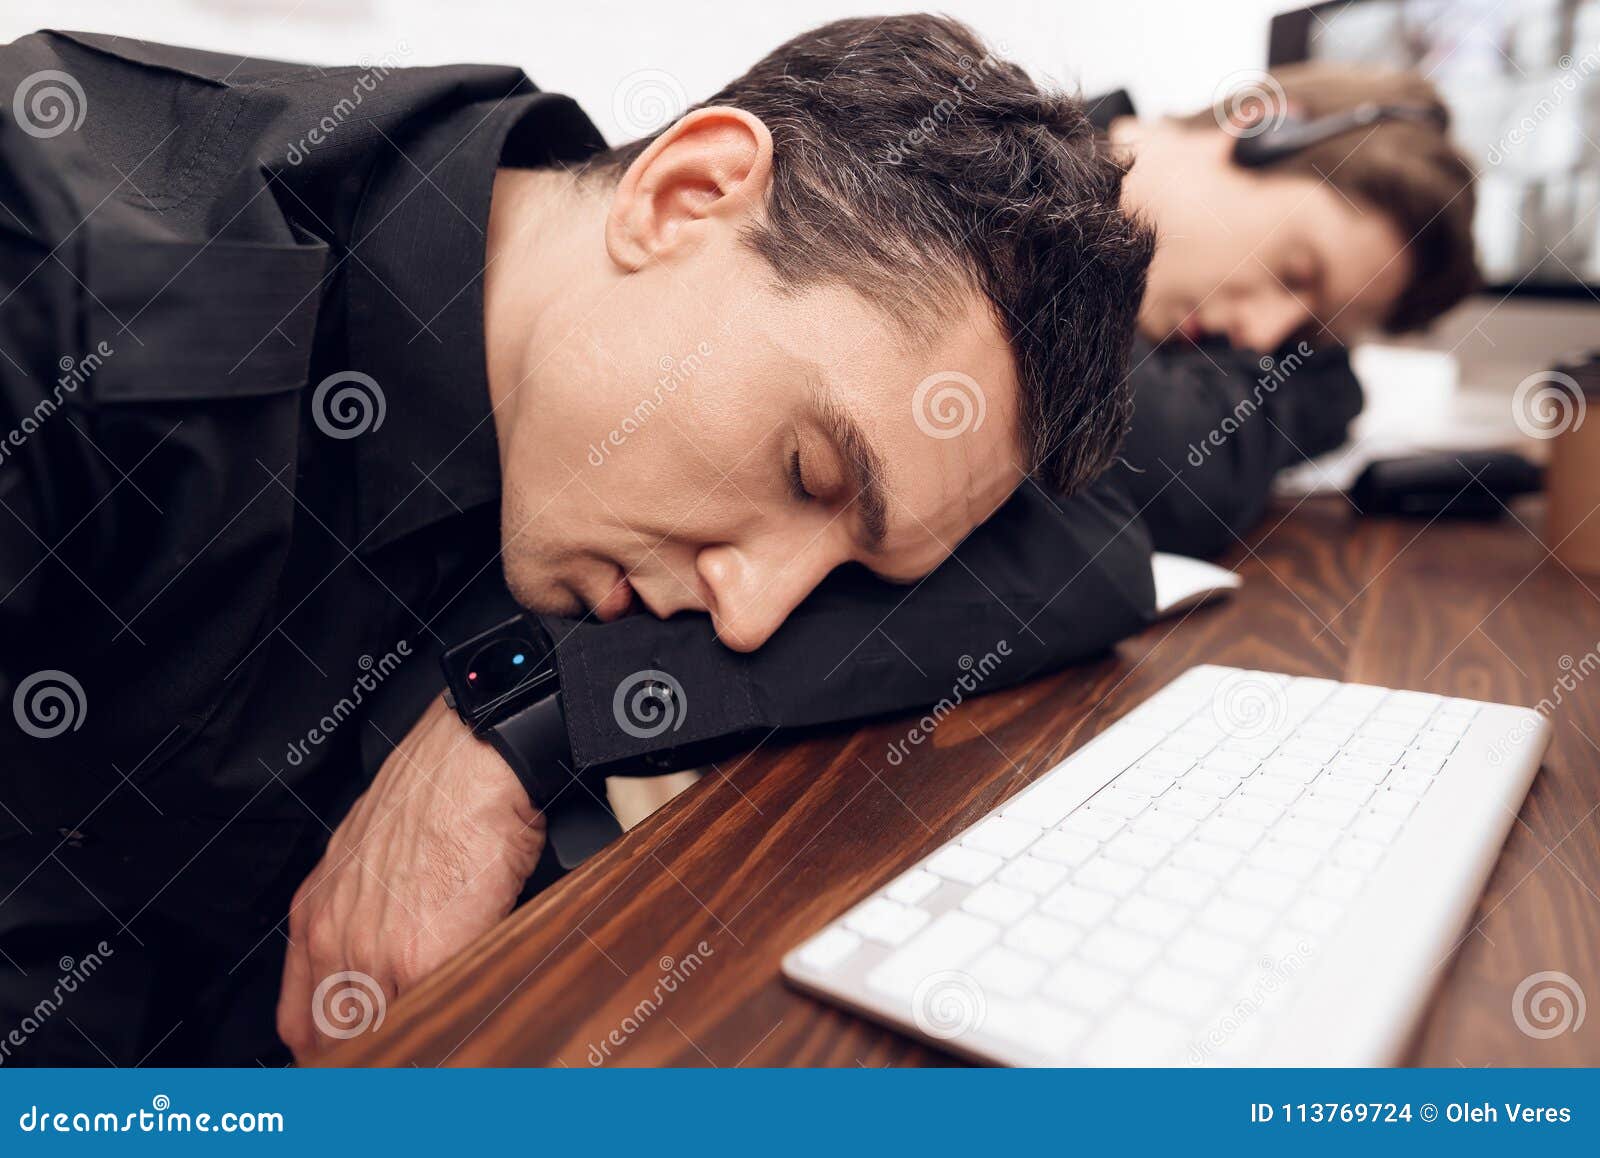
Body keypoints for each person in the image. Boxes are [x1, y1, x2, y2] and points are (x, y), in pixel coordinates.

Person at [0, 17, 1156, 1065]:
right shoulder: (60, 295)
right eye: (809, 474)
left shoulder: (573, 336)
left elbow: (1089, 546)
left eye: (857, 564)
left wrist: (525, 703)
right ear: (686, 196)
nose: (752, 615)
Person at [1090, 64, 1479, 555]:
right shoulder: (1004, 185)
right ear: (1262, 126)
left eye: (1307, 334)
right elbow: (1177, 479)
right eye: (1293, 273)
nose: (1259, 336)